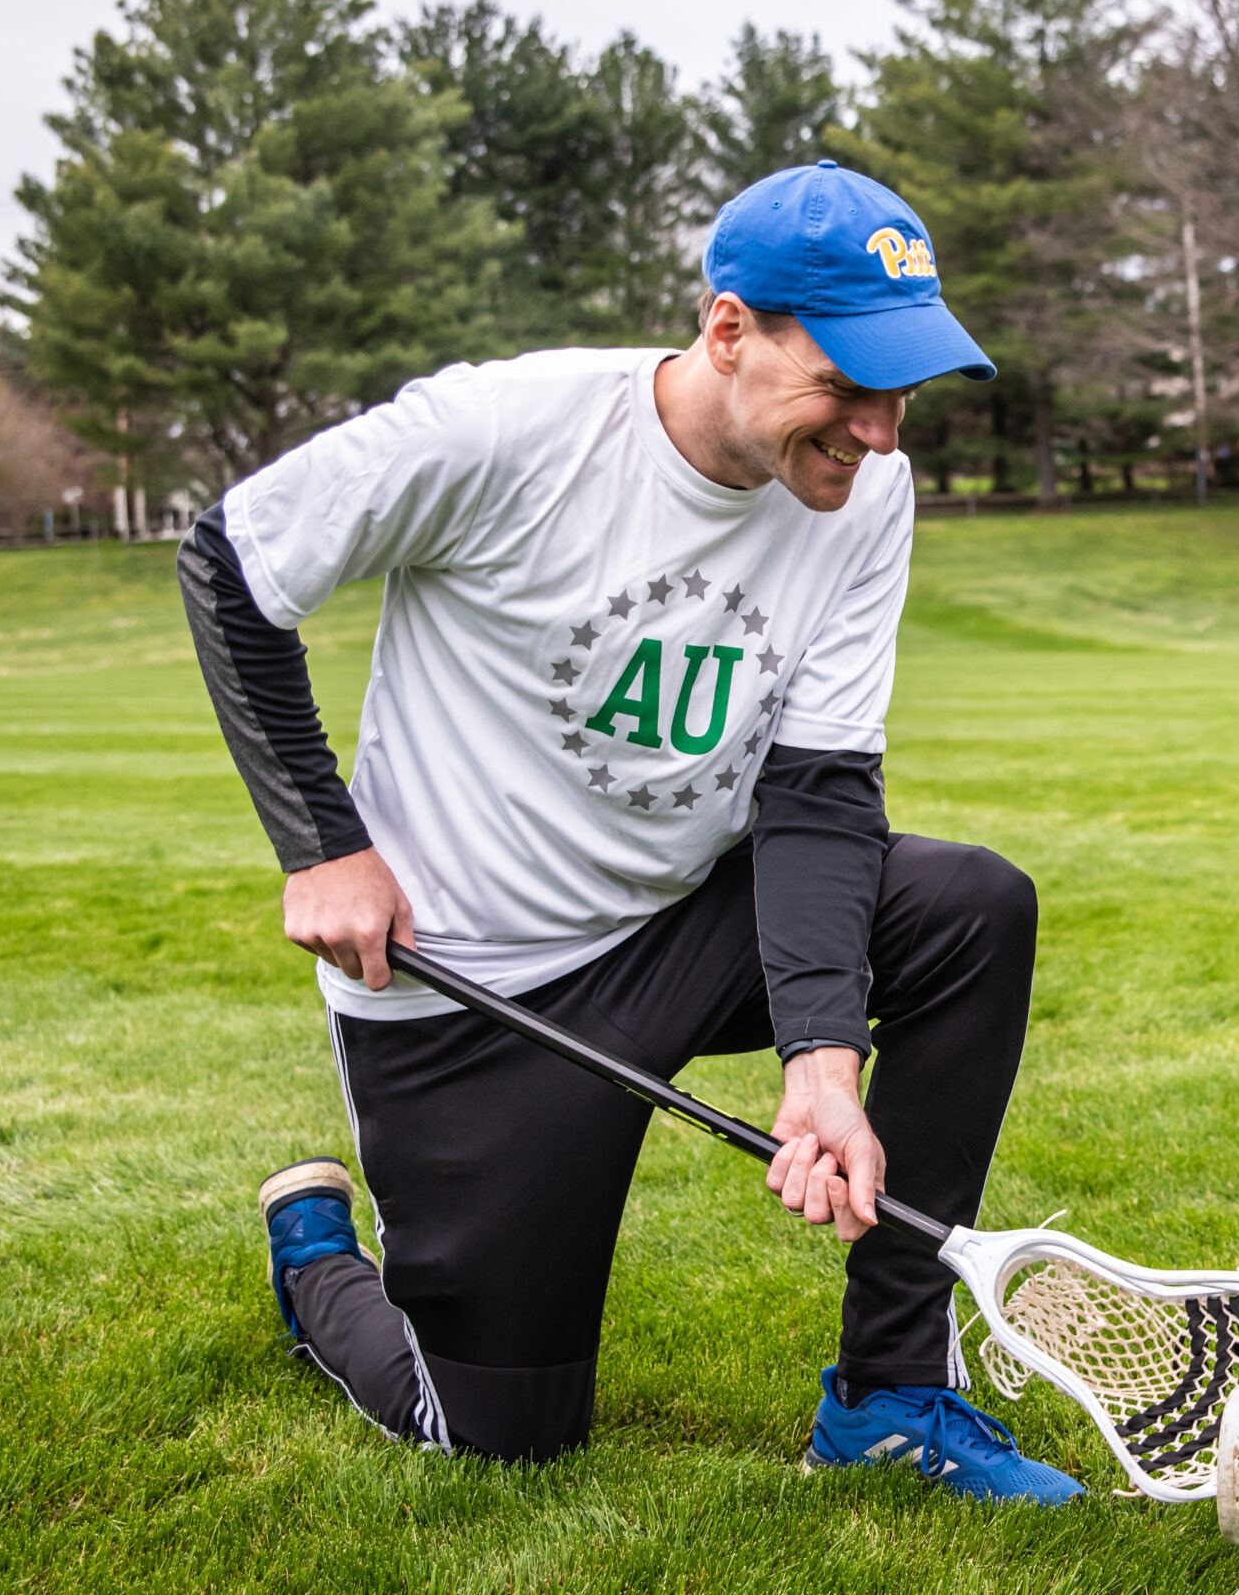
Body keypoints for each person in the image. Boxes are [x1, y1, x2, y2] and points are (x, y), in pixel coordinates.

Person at [177, 162, 1081, 1501]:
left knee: (970, 910)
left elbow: (821, 790)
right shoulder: (504, 431)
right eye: (848, 384)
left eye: (906, 389)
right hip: (474, 983)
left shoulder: (865, 496)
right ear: (731, 332)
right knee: (498, 1432)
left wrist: (824, 1061)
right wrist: (322, 841)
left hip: (679, 928)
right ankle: (318, 1257)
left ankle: (891, 1391)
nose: (882, 431)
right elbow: (232, 561)